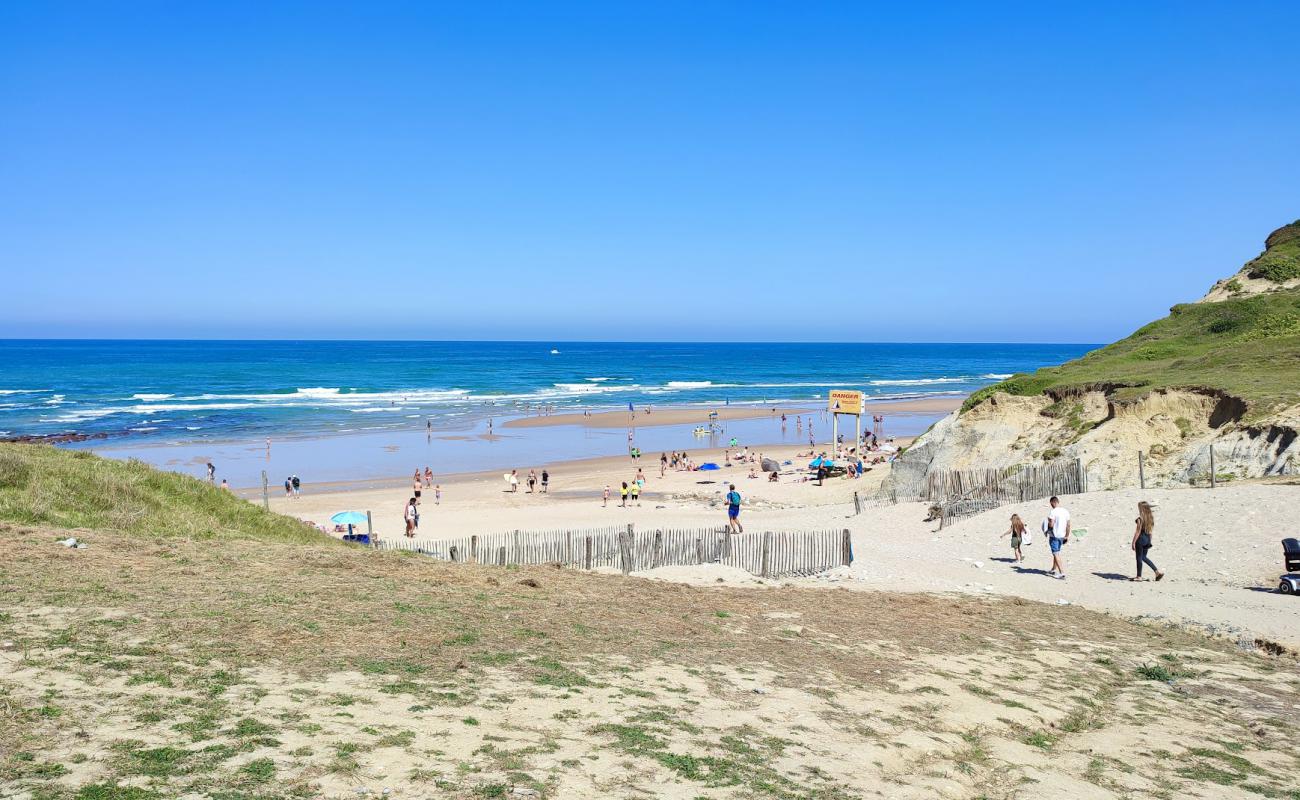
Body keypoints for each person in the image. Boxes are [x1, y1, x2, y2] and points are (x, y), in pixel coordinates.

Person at [1132, 501, 1165, 581]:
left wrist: (1133, 542)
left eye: (1139, 507)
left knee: (1139, 558)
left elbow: (1138, 531)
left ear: (1142, 509)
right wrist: (1149, 541)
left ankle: (1139, 576)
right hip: (1147, 539)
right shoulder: (1151, 518)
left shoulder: (1140, 519)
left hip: (1140, 539)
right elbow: (1150, 531)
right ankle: (1157, 572)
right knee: (1144, 557)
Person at [1045, 496, 1071, 578]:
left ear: (1052, 502)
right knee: (1056, 553)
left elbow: (1051, 524)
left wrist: (1047, 526)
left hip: (1054, 535)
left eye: (1051, 503)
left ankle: (1062, 573)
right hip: (1062, 536)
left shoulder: (1053, 512)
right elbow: (1068, 525)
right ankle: (1053, 569)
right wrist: (1066, 536)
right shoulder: (1065, 511)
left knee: (1055, 553)